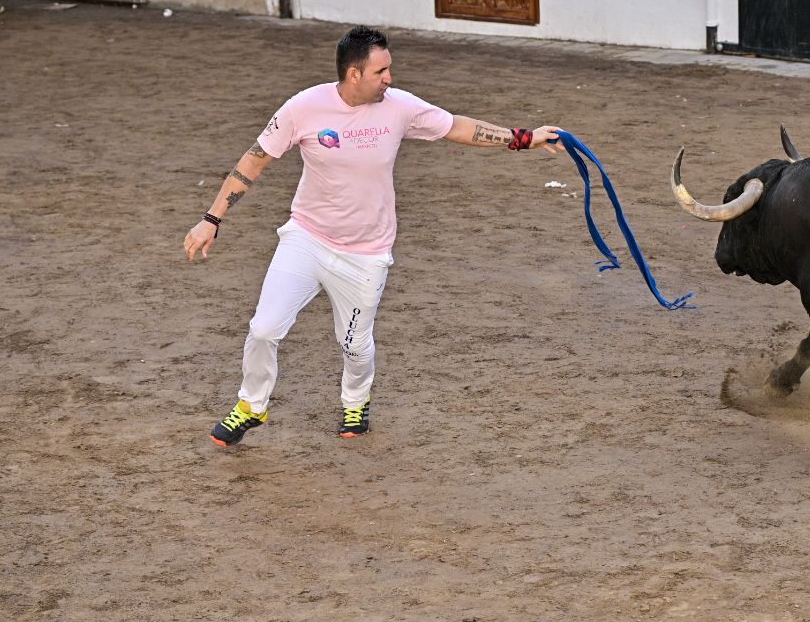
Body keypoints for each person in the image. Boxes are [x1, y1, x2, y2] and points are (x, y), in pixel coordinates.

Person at [183, 25, 563, 448]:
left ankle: (355, 401)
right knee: (264, 329)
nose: (390, 78)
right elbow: (254, 162)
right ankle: (251, 406)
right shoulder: (303, 108)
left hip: (366, 254)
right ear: (353, 74)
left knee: (355, 346)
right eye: (382, 71)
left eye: (390, 69)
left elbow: (458, 127)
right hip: (306, 239)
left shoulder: (399, 107)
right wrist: (211, 218)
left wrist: (522, 139)